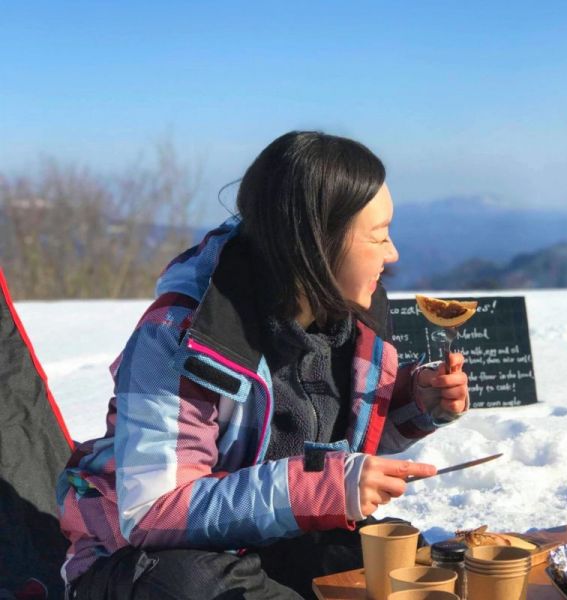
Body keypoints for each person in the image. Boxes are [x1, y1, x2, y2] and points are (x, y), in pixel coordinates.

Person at [57, 131, 470, 599]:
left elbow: (328, 436)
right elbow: (152, 511)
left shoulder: (343, 318)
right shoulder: (184, 335)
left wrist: (416, 400)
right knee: (190, 587)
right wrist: (322, 486)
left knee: (394, 552)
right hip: (142, 560)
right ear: (317, 242)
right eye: (379, 236)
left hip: (268, 539)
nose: (392, 253)